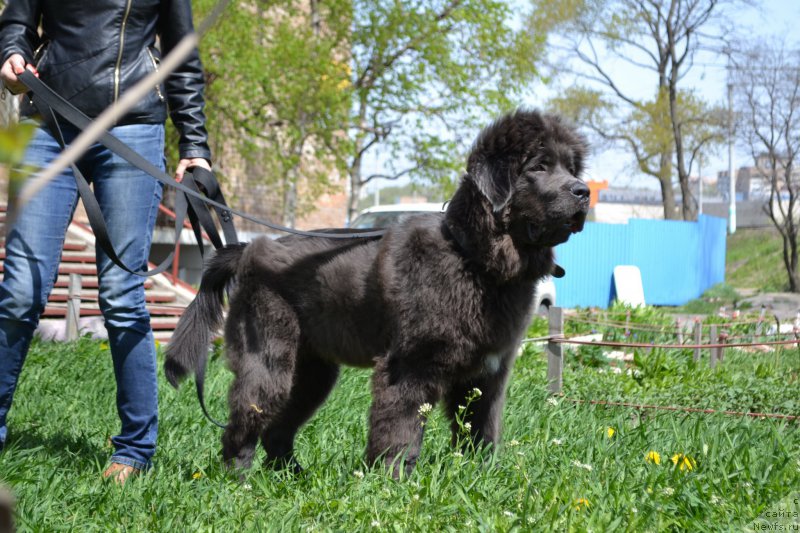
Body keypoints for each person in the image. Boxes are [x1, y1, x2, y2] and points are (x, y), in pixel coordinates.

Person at [0, 0, 212, 484]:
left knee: (121, 294)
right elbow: (16, 19)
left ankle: (135, 449)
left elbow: (182, 55)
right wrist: (12, 51)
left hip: (131, 126)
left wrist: (195, 145)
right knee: (19, 291)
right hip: (45, 123)